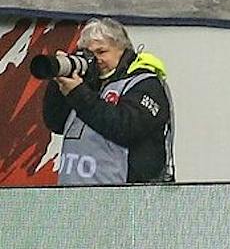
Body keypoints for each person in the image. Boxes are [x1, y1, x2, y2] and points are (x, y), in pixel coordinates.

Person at [39, 16, 173, 185]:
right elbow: (55, 122)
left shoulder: (145, 84)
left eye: (101, 52)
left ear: (123, 49)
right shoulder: (87, 84)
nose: (96, 60)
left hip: (123, 199)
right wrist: (59, 83)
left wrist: (78, 93)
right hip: (72, 196)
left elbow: (125, 128)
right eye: (90, 54)